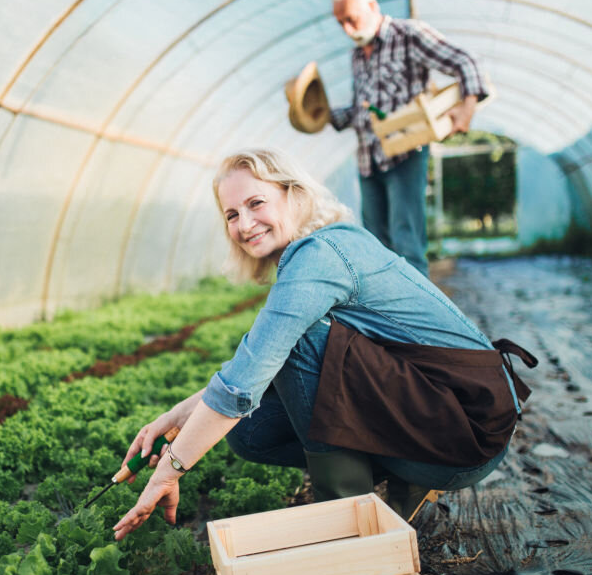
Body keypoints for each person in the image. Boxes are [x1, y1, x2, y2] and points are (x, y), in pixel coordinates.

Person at [112, 149, 535, 540]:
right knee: (251, 433)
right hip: (451, 413)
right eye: (231, 214)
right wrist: (177, 415)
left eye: (256, 203)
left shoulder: (319, 256)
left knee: (297, 344)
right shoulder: (336, 241)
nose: (243, 224)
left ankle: (350, 527)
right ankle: (399, 479)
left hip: (465, 434)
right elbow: (253, 370)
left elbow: (246, 379)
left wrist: (170, 470)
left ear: (293, 196)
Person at [329, 0, 489, 277]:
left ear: (372, 6)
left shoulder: (408, 35)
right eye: (341, 23)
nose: (348, 29)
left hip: (405, 155)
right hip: (368, 161)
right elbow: (362, 111)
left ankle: (417, 322)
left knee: (407, 245)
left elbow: (466, 61)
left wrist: (466, 108)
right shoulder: (356, 55)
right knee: (375, 249)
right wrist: (325, 115)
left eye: (351, 19)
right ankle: (386, 321)